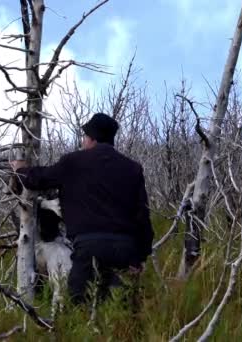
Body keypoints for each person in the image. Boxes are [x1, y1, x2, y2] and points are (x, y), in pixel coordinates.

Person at [10, 113, 154, 304]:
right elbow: (142, 216)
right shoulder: (133, 168)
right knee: (123, 308)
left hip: (88, 247)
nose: (83, 141)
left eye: (85, 136)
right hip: (125, 250)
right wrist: (140, 257)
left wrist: (19, 170)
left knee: (80, 304)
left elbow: (40, 178)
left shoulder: (74, 162)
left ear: (92, 138)